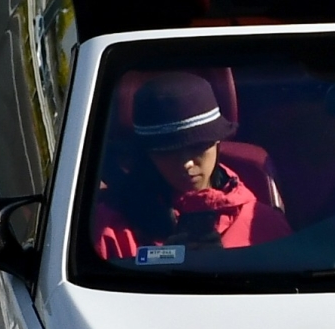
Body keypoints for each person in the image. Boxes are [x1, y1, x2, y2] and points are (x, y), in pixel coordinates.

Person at [92, 72, 288, 262]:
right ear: (147, 154)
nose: (186, 164)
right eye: (166, 151)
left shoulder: (263, 224)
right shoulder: (110, 229)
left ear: (218, 142)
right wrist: (164, 269)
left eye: (198, 147)